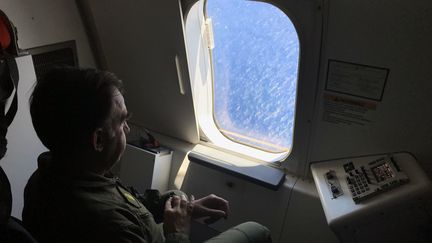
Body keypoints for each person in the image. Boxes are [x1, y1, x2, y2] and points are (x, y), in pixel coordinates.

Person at [22, 67, 272, 243]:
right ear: (98, 140)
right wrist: (178, 233)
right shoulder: (108, 226)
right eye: (121, 122)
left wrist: (187, 209)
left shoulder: (58, 174)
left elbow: (129, 206)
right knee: (257, 230)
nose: (128, 129)